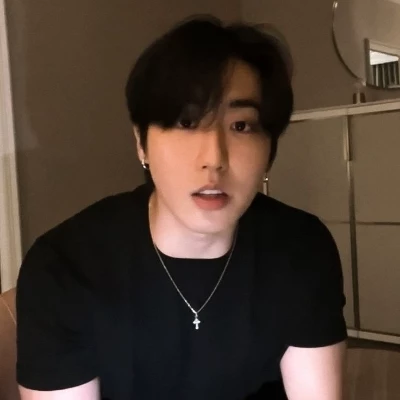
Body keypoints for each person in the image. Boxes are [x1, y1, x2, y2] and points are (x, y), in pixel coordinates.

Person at [16, 15, 347, 400]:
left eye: (241, 126)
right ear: (141, 143)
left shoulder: (301, 249)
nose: (214, 159)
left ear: (269, 148)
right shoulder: (66, 268)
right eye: (186, 122)